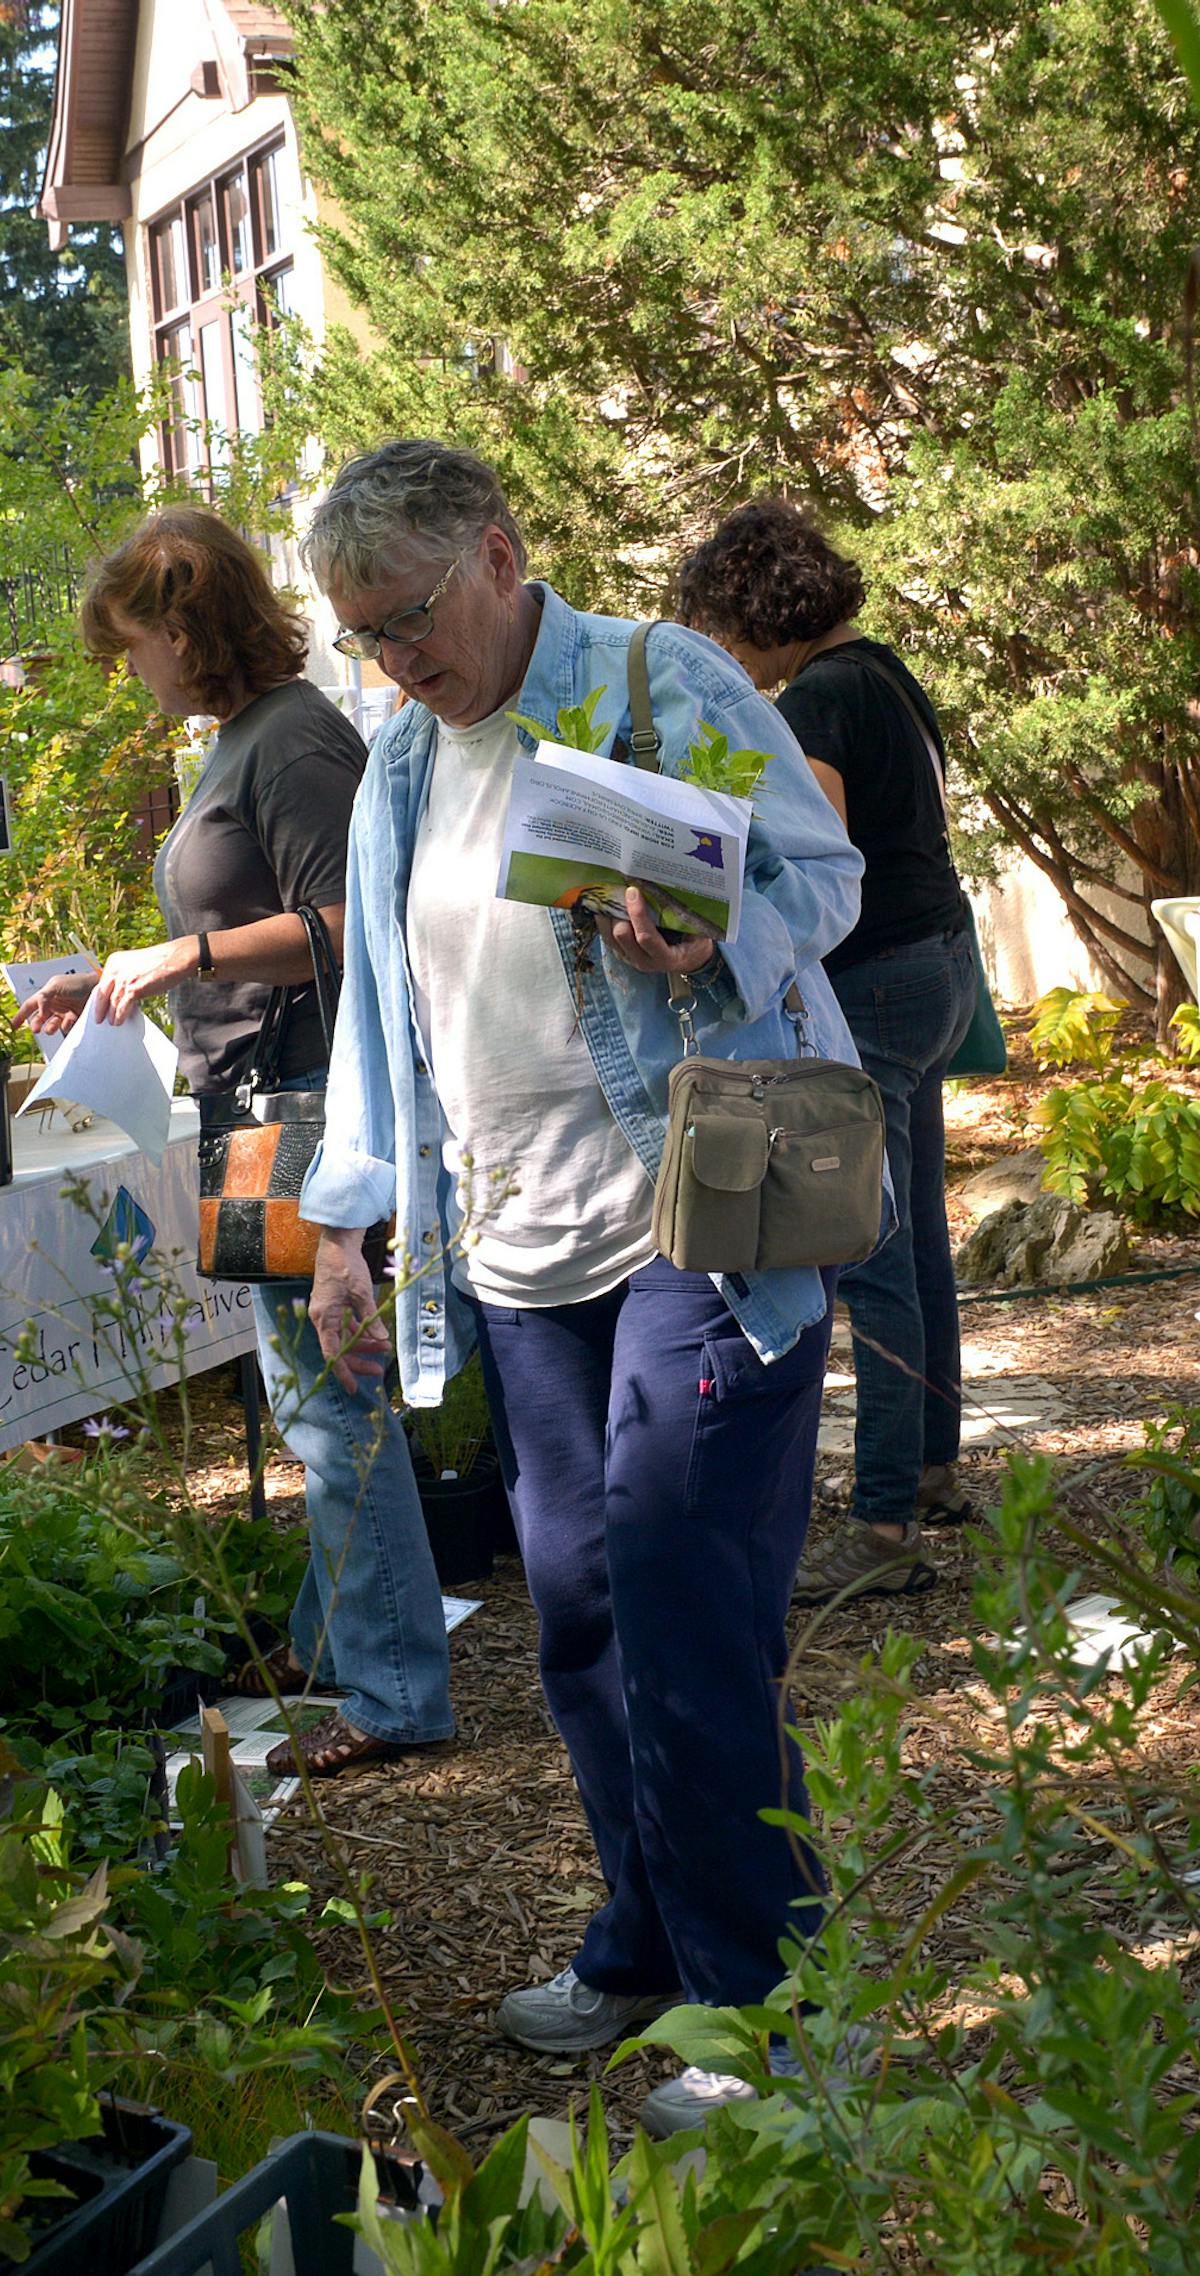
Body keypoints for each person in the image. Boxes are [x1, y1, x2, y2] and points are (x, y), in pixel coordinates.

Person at [295, 441, 864, 2137]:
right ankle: (639, 1939)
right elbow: (380, 1017)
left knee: (683, 1594)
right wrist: (349, 1217)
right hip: (525, 1256)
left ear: (497, 552)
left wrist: (716, 935)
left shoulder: (648, 680)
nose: (396, 661)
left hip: (709, 1212)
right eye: (365, 638)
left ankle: (767, 2012)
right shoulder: (401, 764)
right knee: (583, 1611)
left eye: (408, 618)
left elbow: (816, 882)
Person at [15, 505, 454, 1779]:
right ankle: (336, 1640)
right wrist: (121, 978)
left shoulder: (296, 738)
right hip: (258, 1104)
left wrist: (182, 955)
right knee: (306, 1388)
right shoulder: (245, 740)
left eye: (133, 643)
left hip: (309, 1104)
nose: (127, 670)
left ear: (185, 624)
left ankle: (393, 1689)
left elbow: (341, 925)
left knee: (335, 1397)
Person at [678, 501, 978, 1603]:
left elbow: (822, 869)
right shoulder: (885, 671)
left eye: (720, 625)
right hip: (941, 962)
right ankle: (934, 1463)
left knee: (876, 1246)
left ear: (762, 611)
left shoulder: (815, 702)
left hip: (884, 981)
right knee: (924, 1228)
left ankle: (886, 1519)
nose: (718, 653)